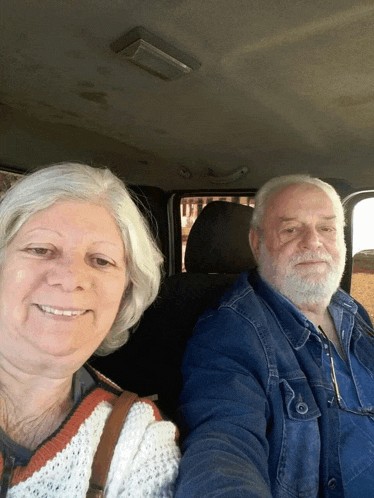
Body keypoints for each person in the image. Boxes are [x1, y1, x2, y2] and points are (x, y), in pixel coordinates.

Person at [175, 174, 374, 498]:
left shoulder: (348, 308)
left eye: (327, 228)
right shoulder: (230, 336)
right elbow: (222, 449)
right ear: (257, 242)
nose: (314, 242)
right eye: (291, 229)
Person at [0, 163, 180, 497]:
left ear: (126, 292)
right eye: (41, 250)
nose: (69, 278)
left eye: (101, 260)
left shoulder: (139, 442)